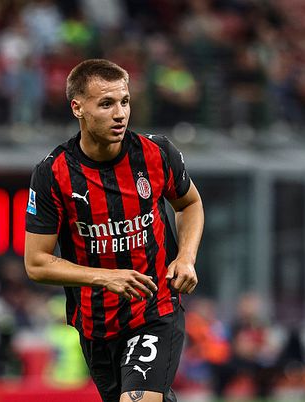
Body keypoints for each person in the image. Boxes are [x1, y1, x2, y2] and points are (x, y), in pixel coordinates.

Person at [24, 59, 204, 402]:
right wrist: (105, 278)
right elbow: (36, 263)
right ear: (77, 107)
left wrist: (186, 257)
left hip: (155, 310)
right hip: (96, 326)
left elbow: (190, 204)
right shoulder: (53, 174)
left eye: (124, 101)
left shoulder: (156, 153)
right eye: (106, 104)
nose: (120, 113)